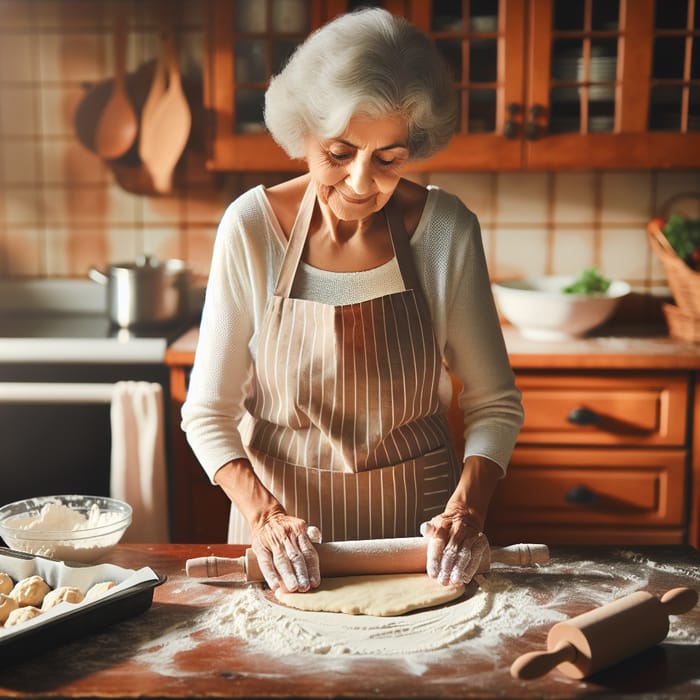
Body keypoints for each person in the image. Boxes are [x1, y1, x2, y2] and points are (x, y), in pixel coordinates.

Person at [181, 8, 524, 595]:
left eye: (388, 158)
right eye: (339, 154)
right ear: (302, 132)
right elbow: (207, 415)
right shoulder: (251, 228)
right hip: (279, 542)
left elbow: (495, 405)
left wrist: (467, 511)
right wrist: (264, 518)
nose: (363, 183)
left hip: (415, 543)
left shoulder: (445, 231)